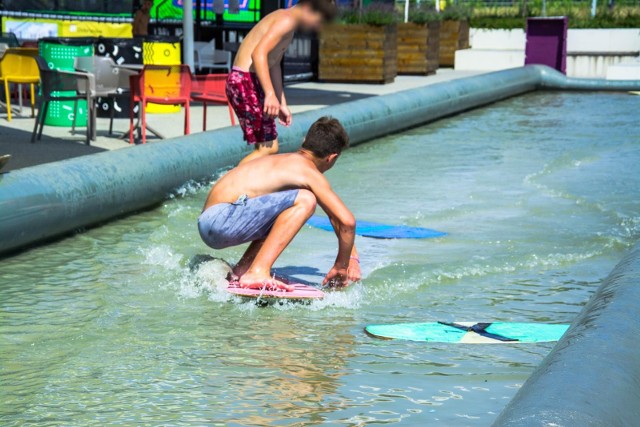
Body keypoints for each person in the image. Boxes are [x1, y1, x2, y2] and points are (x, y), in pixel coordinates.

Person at [198, 117, 361, 291]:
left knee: (287, 207)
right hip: (222, 220)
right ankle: (257, 271)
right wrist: (342, 266)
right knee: (306, 199)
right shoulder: (307, 172)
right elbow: (346, 221)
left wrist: (353, 258)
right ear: (331, 158)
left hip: (209, 220)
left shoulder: (281, 162)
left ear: (304, 141)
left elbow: (335, 217)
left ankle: (244, 268)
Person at [226, 0, 337, 165]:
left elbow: (274, 65)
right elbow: (258, 54)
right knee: (268, 148)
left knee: (265, 147)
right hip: (245, 80)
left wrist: (281, 102)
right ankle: (230, 185)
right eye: (319, 20)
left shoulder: (289, 26)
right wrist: (270, 94)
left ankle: (249, 186)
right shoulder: (286, 20)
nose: (317, 26)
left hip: (250, 81)